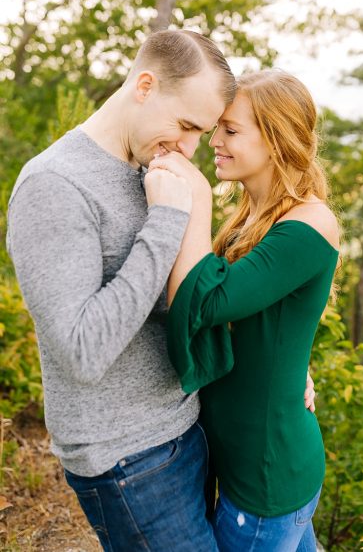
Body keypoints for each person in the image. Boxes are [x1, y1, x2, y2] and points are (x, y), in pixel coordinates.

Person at [5, 29, 235, 550]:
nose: (191, 147)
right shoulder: (54, 186)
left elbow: (186, 299)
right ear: (145, 85)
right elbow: (81, 353)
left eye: (203, 132)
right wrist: (167, 220)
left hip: (184, 429)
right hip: (129, 460)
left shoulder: (149, 167)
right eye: (185, 125)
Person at [150, 68, 339, 552]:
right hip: (249, 465)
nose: (215, 140)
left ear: (276, 140)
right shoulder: (252, 215)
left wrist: (194, 194)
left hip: (265, 478)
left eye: (231, 130)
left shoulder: (309, 223)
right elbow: (262, 320)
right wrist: (291, 364)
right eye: (218, 127)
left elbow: (207, 301)